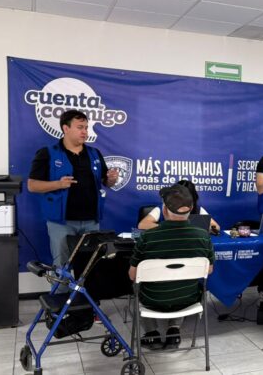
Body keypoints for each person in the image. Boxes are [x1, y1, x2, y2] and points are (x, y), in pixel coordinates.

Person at [28, 109, 119, 273]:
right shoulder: (47, 153)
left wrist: (111, 179)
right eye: (80, 127)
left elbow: (106, 183)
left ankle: (87, 291)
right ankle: (61, 291)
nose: (85, 132)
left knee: (90, 267)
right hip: (62, 222)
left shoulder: (94, 153)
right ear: (66, 128)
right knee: (62, 267)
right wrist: (58, 184)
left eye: (86, 127)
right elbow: (32, 185)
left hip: (91, 221)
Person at [128, 183, 214, 350]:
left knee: (137, 285)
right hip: (187, 300)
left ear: (165, 210)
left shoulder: (147, 237)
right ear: (191, 209)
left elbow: (132, 275)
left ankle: (152, 334)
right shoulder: (203, 236)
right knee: (181, 285)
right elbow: (209, 270)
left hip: (152, 300)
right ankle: (173, 331)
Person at [138, 179, 220, 234]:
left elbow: (216, 227)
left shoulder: (198, 209)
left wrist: (188, 227)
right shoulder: (163, 207)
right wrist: (169, 227)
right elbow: (142, 224)